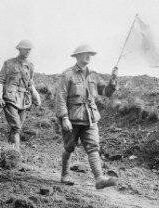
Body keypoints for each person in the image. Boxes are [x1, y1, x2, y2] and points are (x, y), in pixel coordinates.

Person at [55, 44, 119, 189]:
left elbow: (106, 92)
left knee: (93, 147)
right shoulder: (67, 75)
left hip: (90, 117)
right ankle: (65, 174)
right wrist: (64, 118)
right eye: (85, 54)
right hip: (72, 118)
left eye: (90, 54)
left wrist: (112, 81)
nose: (88, 56)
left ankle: (99, 178)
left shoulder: (94, 75)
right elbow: (60, 97)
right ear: (77, 56)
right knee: (69, 147)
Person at [0, 40, 41, 151]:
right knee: (16, 126)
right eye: (25, 49)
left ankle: (8, 151)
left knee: (17, 128)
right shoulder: (9, 63)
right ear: (19, 49)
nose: (28, 51)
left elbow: (30, 84)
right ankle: (16, 153)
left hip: (24, 100)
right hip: (10, 97)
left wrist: (36, 97)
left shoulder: (30, 66)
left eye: (29, 49)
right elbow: (0, 81)